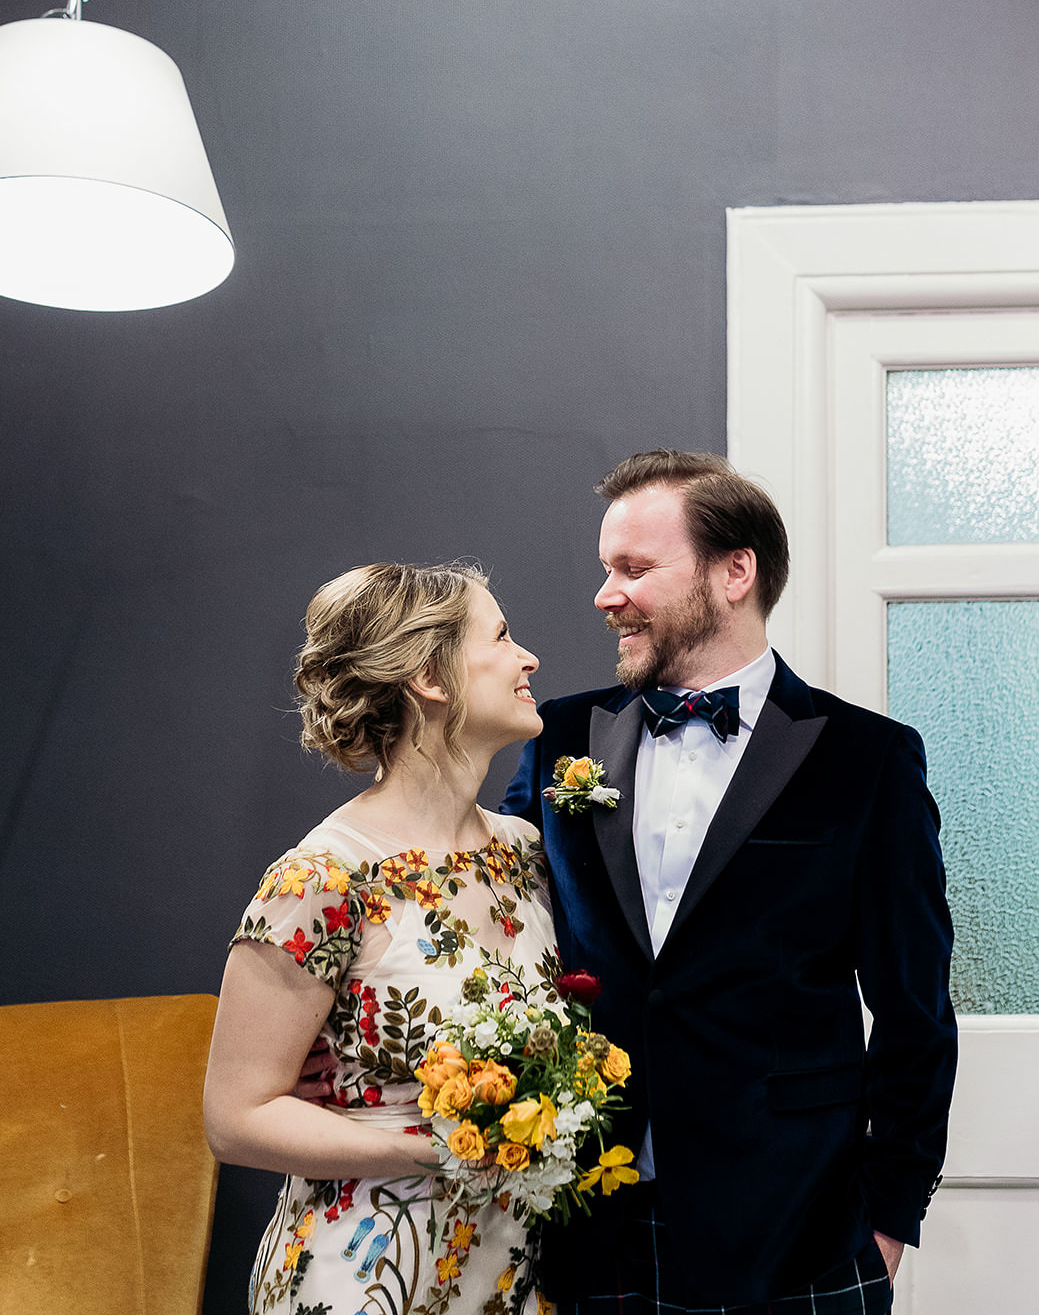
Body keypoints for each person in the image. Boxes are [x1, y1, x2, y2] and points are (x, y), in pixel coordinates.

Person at [501, 450, 957, 1315]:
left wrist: (889, 1221)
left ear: (733, 571)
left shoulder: (867, 759)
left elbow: (915, 1014)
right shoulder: (555, 735)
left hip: (798, 1233)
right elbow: (493, 928)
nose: (606, 595)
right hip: (586, 1223)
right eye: (607, 570)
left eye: (634, 569)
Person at [204, 560, 556, 1315]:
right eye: (501, 636)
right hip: (363, 1278)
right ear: (431, 675)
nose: (528, 658)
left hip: (506, 1276)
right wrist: (429, 1151)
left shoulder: (523, 852)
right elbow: (235, 1118)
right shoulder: (321, 880)